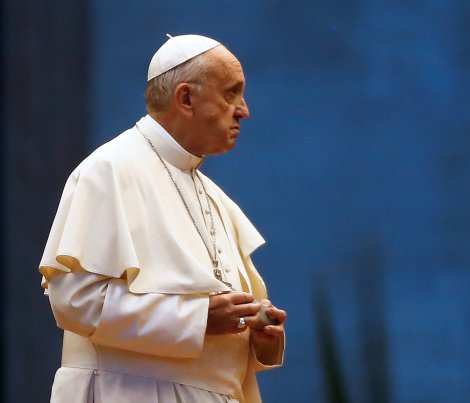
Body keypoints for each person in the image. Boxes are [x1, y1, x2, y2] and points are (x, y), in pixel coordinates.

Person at [38, 34, 286, 403]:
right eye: (231, 93)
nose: (243, 110)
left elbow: (217, 331)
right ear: (186, 98)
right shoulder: (110, 169)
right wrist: (197, 318)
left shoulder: (214, 197)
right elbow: (75, 299)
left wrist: (258, 336)